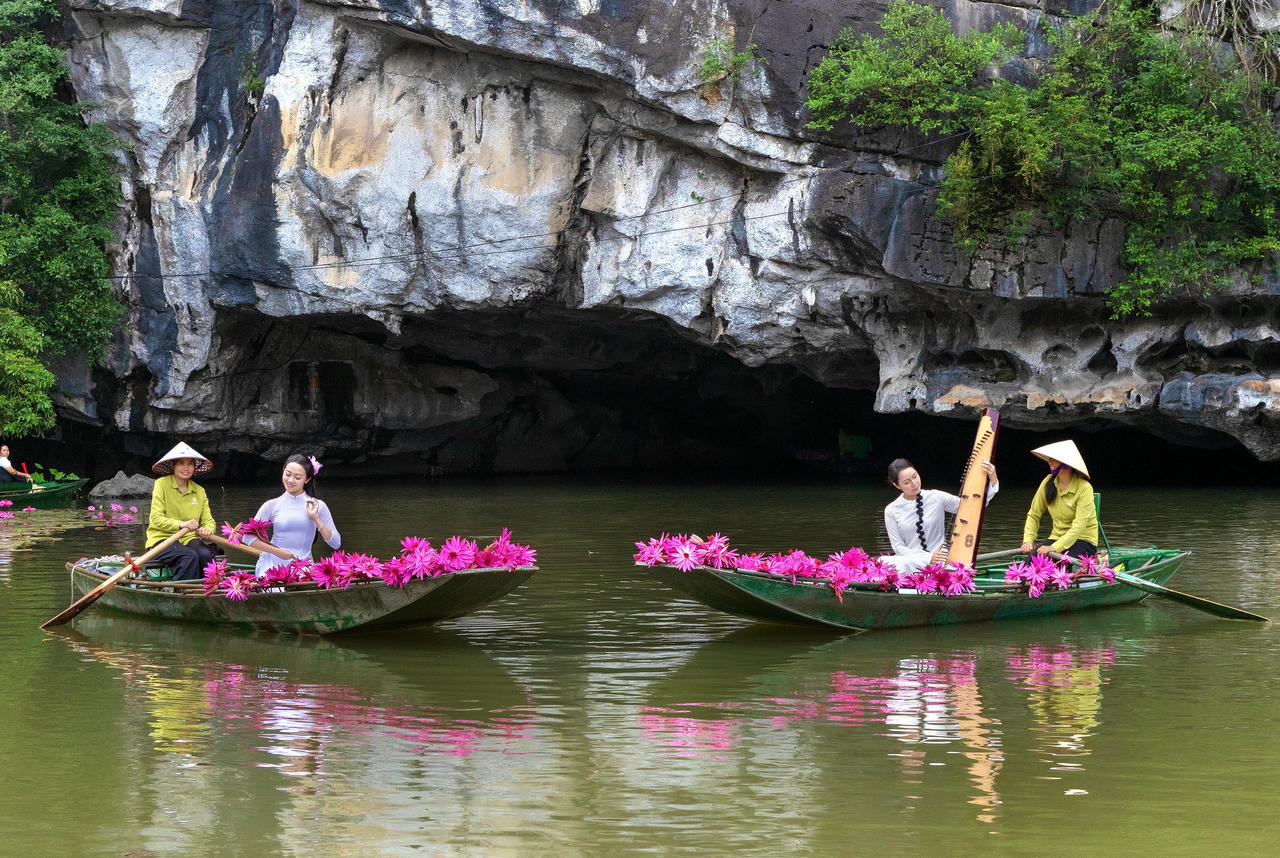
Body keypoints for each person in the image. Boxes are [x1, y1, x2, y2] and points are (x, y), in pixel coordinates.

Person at [883, 457, 998, 573]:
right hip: (912, 561)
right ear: (897, 485)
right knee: (885, 562)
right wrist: (928, 558)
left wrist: (993, 481)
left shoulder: (936, 497)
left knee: (961, 568)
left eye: (915, 476)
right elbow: (898, 547)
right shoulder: (891, 510)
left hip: (940, 561)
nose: (914, 483)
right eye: (907, 482)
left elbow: (971, 508)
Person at [240, 454, 341, 575]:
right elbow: (247, 537)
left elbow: (336, 544)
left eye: (297, 477)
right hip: (272, 565)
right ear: (283, 472)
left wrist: (316, 519)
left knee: (301, 580)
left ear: (307, 479)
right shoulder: (272, 505)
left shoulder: (318, 506)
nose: (291, 480)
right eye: (288, 474)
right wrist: (277, 552)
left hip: (303, 566)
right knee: (277, 588)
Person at [145, 441, 217, 580]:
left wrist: (208, 529)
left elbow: (208, 520)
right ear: (173, 465)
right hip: (162, 538)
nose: (186, 468)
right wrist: (181, 524)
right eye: (181, 463)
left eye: (190, 463)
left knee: (206, 555)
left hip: (188, 538)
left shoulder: (199, 491)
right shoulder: (161, 484)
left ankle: (206, 591)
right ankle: (181, 593)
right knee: (189, 556)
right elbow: (156, 519)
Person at [1019, 440, 1098, 558]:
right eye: (1050, 457)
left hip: (1082, 540)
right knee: (1031, 562)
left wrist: (1054, 548)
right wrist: (1028, 540)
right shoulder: (1048, 482)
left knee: (1059, 565)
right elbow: (1034, 514)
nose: (1050, 461)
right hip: (1056, 538)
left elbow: (1079, 526)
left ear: (1067, 463)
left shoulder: (1084, 488)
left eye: (1054, 458)